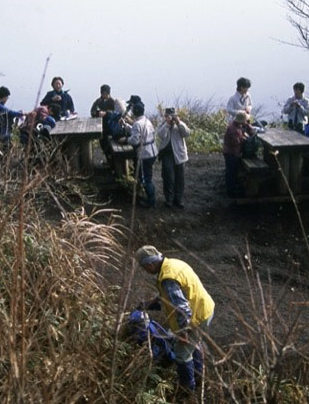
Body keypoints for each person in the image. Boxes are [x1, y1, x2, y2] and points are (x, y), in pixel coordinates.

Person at [135, 245, 214, 398]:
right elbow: (170, 296)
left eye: (144, 267)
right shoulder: (174, 264)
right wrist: (148, 305)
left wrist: (184, 332)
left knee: (182, 354)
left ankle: (187, 390)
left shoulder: (167, 278)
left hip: (196, 318)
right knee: (193, 345)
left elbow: (182, 308)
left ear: (149, 264)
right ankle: (198, 375)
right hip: (205, 308)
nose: (145, 271)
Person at [122, 102, 157, 208]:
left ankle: (151, 201)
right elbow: (136, 131)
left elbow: (134, 140)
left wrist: (125, 139)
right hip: (152, 151)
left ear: (135, 113)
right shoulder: (147, 121)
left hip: (144, 153)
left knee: (145, 178)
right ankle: (150, 197)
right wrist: (125, 125)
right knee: (148, 176)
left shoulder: (137, 124)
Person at [156, 107, 191, 209]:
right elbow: (161, 135)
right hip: (167, 154)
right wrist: (167, 124)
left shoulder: (180, 124)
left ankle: (178, 199)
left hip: (179, 154)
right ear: (165, 116)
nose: (171, 118)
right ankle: (169, 199)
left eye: (172, 116)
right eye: (168, 116)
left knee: (180, 178)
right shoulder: (163, 125)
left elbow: (187, 133)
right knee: (168, 177)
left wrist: (179, 123)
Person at [223, 111, 254, 197]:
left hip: (233, 153)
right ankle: (231, 191)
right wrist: (244, 139)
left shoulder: (238, 126)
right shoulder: (233, 130)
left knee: (233, 171)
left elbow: (252, 132)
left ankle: (233, 187)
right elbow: (235, 143)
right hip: (231, 153)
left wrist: (248, 126)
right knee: (231, 172)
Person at [0, 86, 24, 152]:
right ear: (3, 97)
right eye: (7, 97)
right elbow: (10, 112)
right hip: (3, 134)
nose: (7, 99)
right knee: (6, 152)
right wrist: (22, 114)